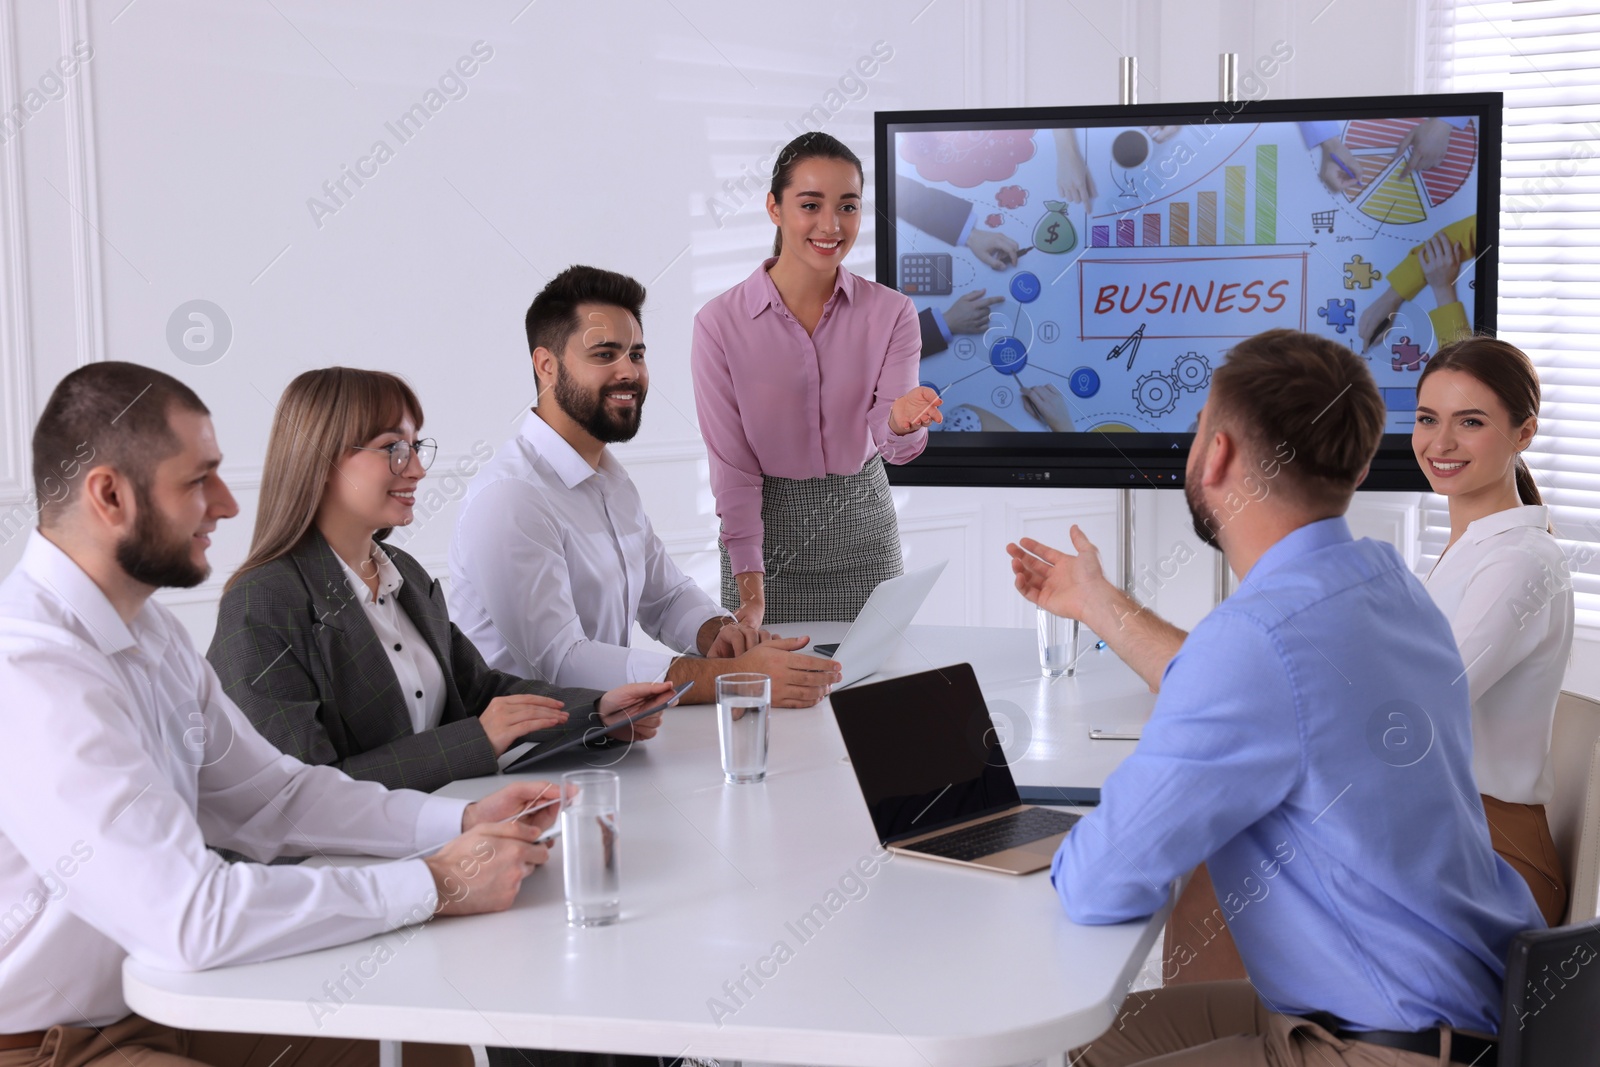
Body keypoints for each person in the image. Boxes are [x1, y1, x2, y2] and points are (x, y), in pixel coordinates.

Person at [0, 362, 568, 1067]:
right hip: (52, 1044)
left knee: (429, 1039)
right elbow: (191, 917)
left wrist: (458, 821)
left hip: (172, 998)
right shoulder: (27, 669)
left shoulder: (149, 635)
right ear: (110, 494)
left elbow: (277, 794)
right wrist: (435, 882)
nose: (227, 502)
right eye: (197, 478)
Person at [1008, 329, 1542, 1064]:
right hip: (1463, 1006)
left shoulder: (1254, 640)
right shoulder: (1388, 584)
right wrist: (1100, 602)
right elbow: (1268, 682)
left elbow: (1101, 883)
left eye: (1199, 427)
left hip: (1387, 1046)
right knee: (1086, 1039)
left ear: (1217, 452)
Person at [210, 367, 675, 795]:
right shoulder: (261, 603)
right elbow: (299, 794)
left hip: (450, 829)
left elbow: (479, 692)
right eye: (393, 448)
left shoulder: (403, 573)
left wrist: (595, 712)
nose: (416, 468)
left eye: (415, 446)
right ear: (323, 459)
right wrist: (476, 741)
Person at [450, 266, 841, 708]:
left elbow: (666, 596)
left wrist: (719, 634)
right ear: (547, 366)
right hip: (525, 758)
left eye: (636, 354)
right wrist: (731, 676)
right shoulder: (511, 497)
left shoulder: (609, 479)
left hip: (602, 735)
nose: (629, 373)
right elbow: (559, 665)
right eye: (604, 354)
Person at [693, 132, 942, 627]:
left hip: (864, 535)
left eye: (848, 207)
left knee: (871, 693)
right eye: (811, 204)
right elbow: (733, 467)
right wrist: (750, 589)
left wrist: (900, 421)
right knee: (767, 696)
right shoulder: (719, 324)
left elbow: (892, 445)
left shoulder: (893, 314)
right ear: (774, 208)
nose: (831, 225)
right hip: (765, 548)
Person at [1414, 336, 1572, 925]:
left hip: (1493, 856)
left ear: (1523, 433)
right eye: (1428, 419)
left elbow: (1418, 707)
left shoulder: (1521, 561)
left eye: (1470, 422)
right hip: (1441, 828)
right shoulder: (1465, 552)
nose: (1441, 443)